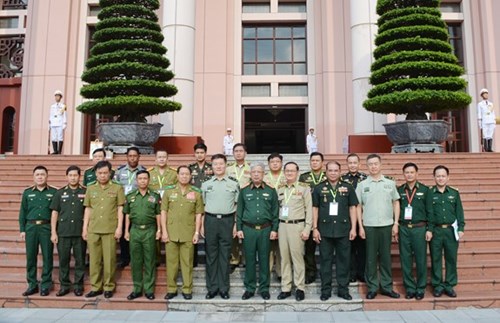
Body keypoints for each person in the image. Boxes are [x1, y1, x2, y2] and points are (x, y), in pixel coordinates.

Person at [356, 154, 400, 300]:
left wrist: (396, 223)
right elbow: (357, 206)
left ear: (381, 165)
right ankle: (372, 287)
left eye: (376, 164)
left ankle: (387, 287)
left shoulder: (390, 183)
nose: (373, 167)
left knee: (386, 257)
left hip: (386, 225)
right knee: (370, 258)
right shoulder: (362, 185)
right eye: (370, 164)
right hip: (369, 225)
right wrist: (360, 226)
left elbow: (396, 202)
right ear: (367, 166)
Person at [313, 161, 358, 301]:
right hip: (324, 231)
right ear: (326, 172)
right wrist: (314, 228)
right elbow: (315, 208)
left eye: (335, 170)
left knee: (343, 261)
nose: (333, 173)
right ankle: (325, 290)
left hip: (343, 230)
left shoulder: (348, 187)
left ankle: (343, 290)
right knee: (325, 261)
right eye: (330, 170)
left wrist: (354, 228)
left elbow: (352, 208)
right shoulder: (319, 188)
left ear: (340, 172)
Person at [82, 160, 125, 299]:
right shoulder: (90, 188)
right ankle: (96, 287)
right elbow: (88, 208)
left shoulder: (117, 188)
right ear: (95, 173)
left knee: (109, 259)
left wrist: (119, 228)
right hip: (93, 228)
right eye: (100, 173)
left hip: (110, 228)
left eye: (105, 173)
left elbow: (120, 208)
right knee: (94, 260)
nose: (102, 176)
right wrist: (85, 228)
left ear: (110, 173)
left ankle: (108, 286)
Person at [236, 163, 279, 301]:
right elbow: (239, 212)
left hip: (265, 230)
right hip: (248, 230)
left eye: (259, 172)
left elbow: (275, 212)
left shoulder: (271, 191)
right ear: (250, 174)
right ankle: (249, 288)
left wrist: (274, 229)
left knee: (264, 260)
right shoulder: (244, 191)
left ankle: (264, 288)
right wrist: (239, 228)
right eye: (253, 172)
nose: (256, 174)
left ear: (263, 174)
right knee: (249, 260)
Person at [161, 166, 204, 300]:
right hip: (171, 232)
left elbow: (198, 214)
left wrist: (197, 232)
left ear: (191, 176)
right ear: (177, 175)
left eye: (187, 174)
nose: (184, 176)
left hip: (188, 233)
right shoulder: (168, 192)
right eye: (182, 174)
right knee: (171, 264)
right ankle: (171, 289)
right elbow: (164, 212)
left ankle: (187, 289)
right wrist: (164, 231)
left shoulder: (196, 193)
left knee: (187, 263)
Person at [201, 154, 240, 300]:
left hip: (227, 221)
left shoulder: (233, 183)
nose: (218, 166)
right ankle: (212, 288)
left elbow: (237, 206)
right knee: (211, 256)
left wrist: (236, 224)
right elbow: (202, 205)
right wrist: (202, 225)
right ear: (212, 166)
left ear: (226, 165)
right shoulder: (205, 184)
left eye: (221, 164)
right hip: (210, 221)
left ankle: (224, 288)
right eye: (215, 164)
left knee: (225, 256)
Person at [19, 165, 57, 296]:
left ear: (47, 176)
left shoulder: (54, 192)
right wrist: (22, 229)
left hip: (46, 227)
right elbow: (22, 212)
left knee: (47, 256)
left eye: (42, 174)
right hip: (31, 228)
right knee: (31, 257)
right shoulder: (27, 192)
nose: (40, 177)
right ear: (33, 177)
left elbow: (56, 212)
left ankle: (46, 285)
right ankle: (32, 284)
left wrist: (54, 231)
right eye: (37, 174)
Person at [276, 162, 312, 301]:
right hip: (282, 226)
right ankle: (286, 288)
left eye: (292, 171)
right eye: (287, 171)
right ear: (284, 172)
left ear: (297, 173)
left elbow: (309, 210)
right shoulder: (280, 189)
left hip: (297, 226)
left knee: (297, 258)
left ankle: (300, 288)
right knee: (284, 258)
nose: (289, 173)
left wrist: (307, 228)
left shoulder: (304, 188)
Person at [397, 162, 433, 300]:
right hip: (404, 228)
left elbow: (430, 211)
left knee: (420, 259)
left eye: (412, 172)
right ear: (403, 174)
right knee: (405, 259)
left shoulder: (425, 190)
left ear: (417, 174)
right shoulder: (400, 190)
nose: (409, 175)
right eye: (407, 172)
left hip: (419, 228)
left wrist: (429, 229)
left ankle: (420, 287)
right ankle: (410, 288)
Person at [123, 170, 161, 301]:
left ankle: (149, 289)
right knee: (136, 261)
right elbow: (127, 214)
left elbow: (158, 214)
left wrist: (159, 229)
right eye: (140, 178)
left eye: (145, 178)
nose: (143, 181)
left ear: (149, 180)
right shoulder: (130, 196)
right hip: (135, 230)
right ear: (136, 181)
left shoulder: (155, 196)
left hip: (150, 230)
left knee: (150, 260)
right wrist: (126, 231)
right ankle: (137, 289)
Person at [50, 165, 86, 297]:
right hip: (63, 232)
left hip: (79, 232)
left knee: (80, 260)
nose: (73, 178)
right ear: (66, 177)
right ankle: (64, 286)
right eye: (70, 175)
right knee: (63, 260)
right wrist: (53, 232)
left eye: (75, 175)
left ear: (79, 176)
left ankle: (78, 286)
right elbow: (54, 213)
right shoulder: (59, 193)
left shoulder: (85, 191)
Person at [429, 165, 465, 298]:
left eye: (443, 176)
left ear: (448, 177)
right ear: (434, 177)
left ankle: (449, 285)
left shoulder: (454, 193)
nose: (440, 178)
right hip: (436, 231)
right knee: (436, 258)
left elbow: (459, 212)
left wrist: (461, 228)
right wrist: (430, 230)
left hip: (451, 231)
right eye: (438, 176)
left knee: (451, 258)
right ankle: (437, 285)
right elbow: (429, 213)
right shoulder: (430, 193)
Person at [114, 147, 146, 268]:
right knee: (123, 234)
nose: (132, 158)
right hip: (123, 206)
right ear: (127, 157)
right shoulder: (119, 171)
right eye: (130, 156)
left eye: (135, 156)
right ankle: (124, 258)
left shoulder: (143, 171)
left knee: (137, 232)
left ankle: (137, 258)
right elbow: (115, 187)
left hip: (138, 206)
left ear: (139, 157)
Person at [299, 152, 326, 284]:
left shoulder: (328, 176)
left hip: (325, 216)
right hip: (308, 215)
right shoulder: (304, 177)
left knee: (325, 247)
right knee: (309, 248)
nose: (314, 162)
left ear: (322, 162)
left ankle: (325, 273)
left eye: (317, 160)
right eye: (312, 160)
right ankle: (310, 272)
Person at [340, 153, 367, 283]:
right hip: (347, 218)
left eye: (355, 162)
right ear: (347, 164)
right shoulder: (342, 179)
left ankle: (361, 273)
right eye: (350, 163)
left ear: (359, 164)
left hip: (363, 218)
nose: (352, 165)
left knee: (362, 248)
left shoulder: (365, 179)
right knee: (348, 248)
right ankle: (351, 273)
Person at [148, 149, 177, 266]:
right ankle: (156, 257)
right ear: (155, 159)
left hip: (169, 206)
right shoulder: (149, 173)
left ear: (167, 159)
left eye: (164, 157)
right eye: (159, 157)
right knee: (155, 231)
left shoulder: (174, 173)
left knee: (169, 230)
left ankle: (170, 258)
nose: (161, 159)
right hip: (153, 206)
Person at [226, 143, 251, 272]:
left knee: (245, 231)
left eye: (241, 151)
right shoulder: (228, 169)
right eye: (236, 151)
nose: (238, 153)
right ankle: (234, 259)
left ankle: (247, 259)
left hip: (247, 203)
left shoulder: (251, 168)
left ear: (245, 153)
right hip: (232, 202)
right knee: (233, 232)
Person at [264, 152, 286, 281]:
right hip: (267, 214)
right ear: (268, 164)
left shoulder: (287, 176)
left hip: (283, 213)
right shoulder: (264, 178)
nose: (275, 164)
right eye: (272, 162)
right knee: (267, 246)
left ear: (281, 163)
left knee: (281, 246)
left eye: (277, 161)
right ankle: (266, 271)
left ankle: (280, 272)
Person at [49, 90, 67, 154]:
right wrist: (50, 123)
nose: (57, 97)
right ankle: (55, 150)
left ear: (60, 97)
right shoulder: (52, 106)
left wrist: (64, 123)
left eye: (58, 96)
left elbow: (64, 115)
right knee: (54, 137)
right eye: (56, 96)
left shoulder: (63, 106)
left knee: (60, 137)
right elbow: (51, 115)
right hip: (53, 122)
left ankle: (59, 151)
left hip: (60, 122)